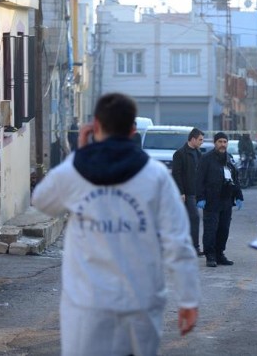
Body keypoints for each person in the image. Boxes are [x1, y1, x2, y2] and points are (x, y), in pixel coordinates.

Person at [31, 93, 200, 356]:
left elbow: (42, 200)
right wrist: (188, 299)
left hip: (87, 306)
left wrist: (81, 152)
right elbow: (178, 241)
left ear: (95, 125)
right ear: (133, 130)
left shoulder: (74, 171)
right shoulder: (155, 175)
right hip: (140, 305)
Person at [196, 132, 244, 268]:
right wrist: (200, 197)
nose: (223, 144)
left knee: (224, 229)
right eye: (220, 142)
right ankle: (210, 255)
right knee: (211, 229)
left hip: (226, 200)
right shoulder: (206, 159)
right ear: (215, 143)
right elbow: (199, 180)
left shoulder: (229, 159)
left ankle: (219, 254)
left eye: (225, 142)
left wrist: (239, 195)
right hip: (211, 200)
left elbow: (235, 178)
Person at [172, 127, 205, 256]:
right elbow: (177, 174)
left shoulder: (198, 153)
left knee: (190, 219)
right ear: (193, 139)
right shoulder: (180, 154)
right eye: (200, 139)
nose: (202, 142)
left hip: (196, 192)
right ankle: (194, 247)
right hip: (187, 192)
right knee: (194, 218)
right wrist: (181, 192)